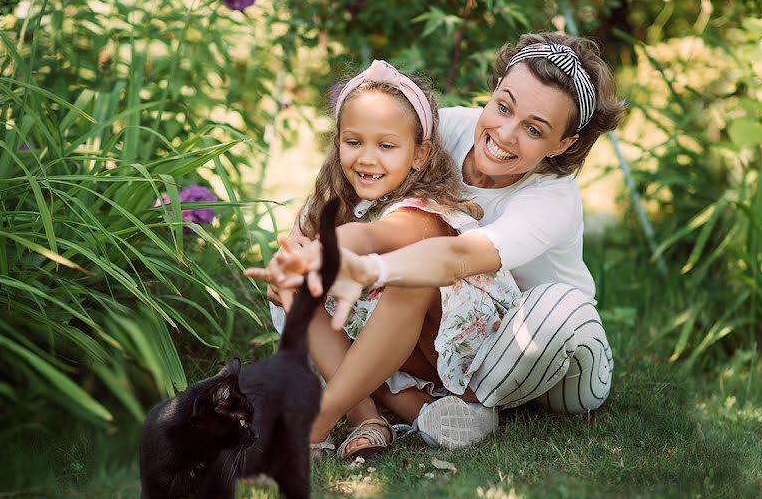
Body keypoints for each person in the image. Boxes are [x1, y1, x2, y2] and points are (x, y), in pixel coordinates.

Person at [251, 32, 626, 452]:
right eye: (503, 107)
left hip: (553, 340)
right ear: (495, 90)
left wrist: (368, 265)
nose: (504, 133)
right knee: (311, 283)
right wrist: (305, 248)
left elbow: (458, 254)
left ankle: (433, 403)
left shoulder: (553, 197)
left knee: (555, 308)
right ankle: (403, 408)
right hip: (458, 321)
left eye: (534, 130)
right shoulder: (445, 129)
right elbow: (354, 183)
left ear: (563, 143)